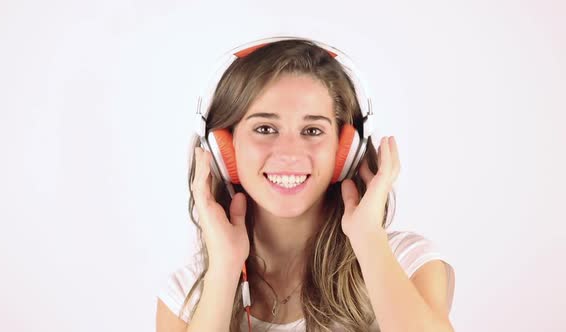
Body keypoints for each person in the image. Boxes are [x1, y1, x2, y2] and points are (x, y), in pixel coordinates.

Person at [156, 37, 455, 332]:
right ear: (225, 150)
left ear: (344, 151)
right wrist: (224, 268)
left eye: (312, 130)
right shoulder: (184, 296)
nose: (289, 153)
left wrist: (368, 239)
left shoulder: (405, 261)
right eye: (265, 128)